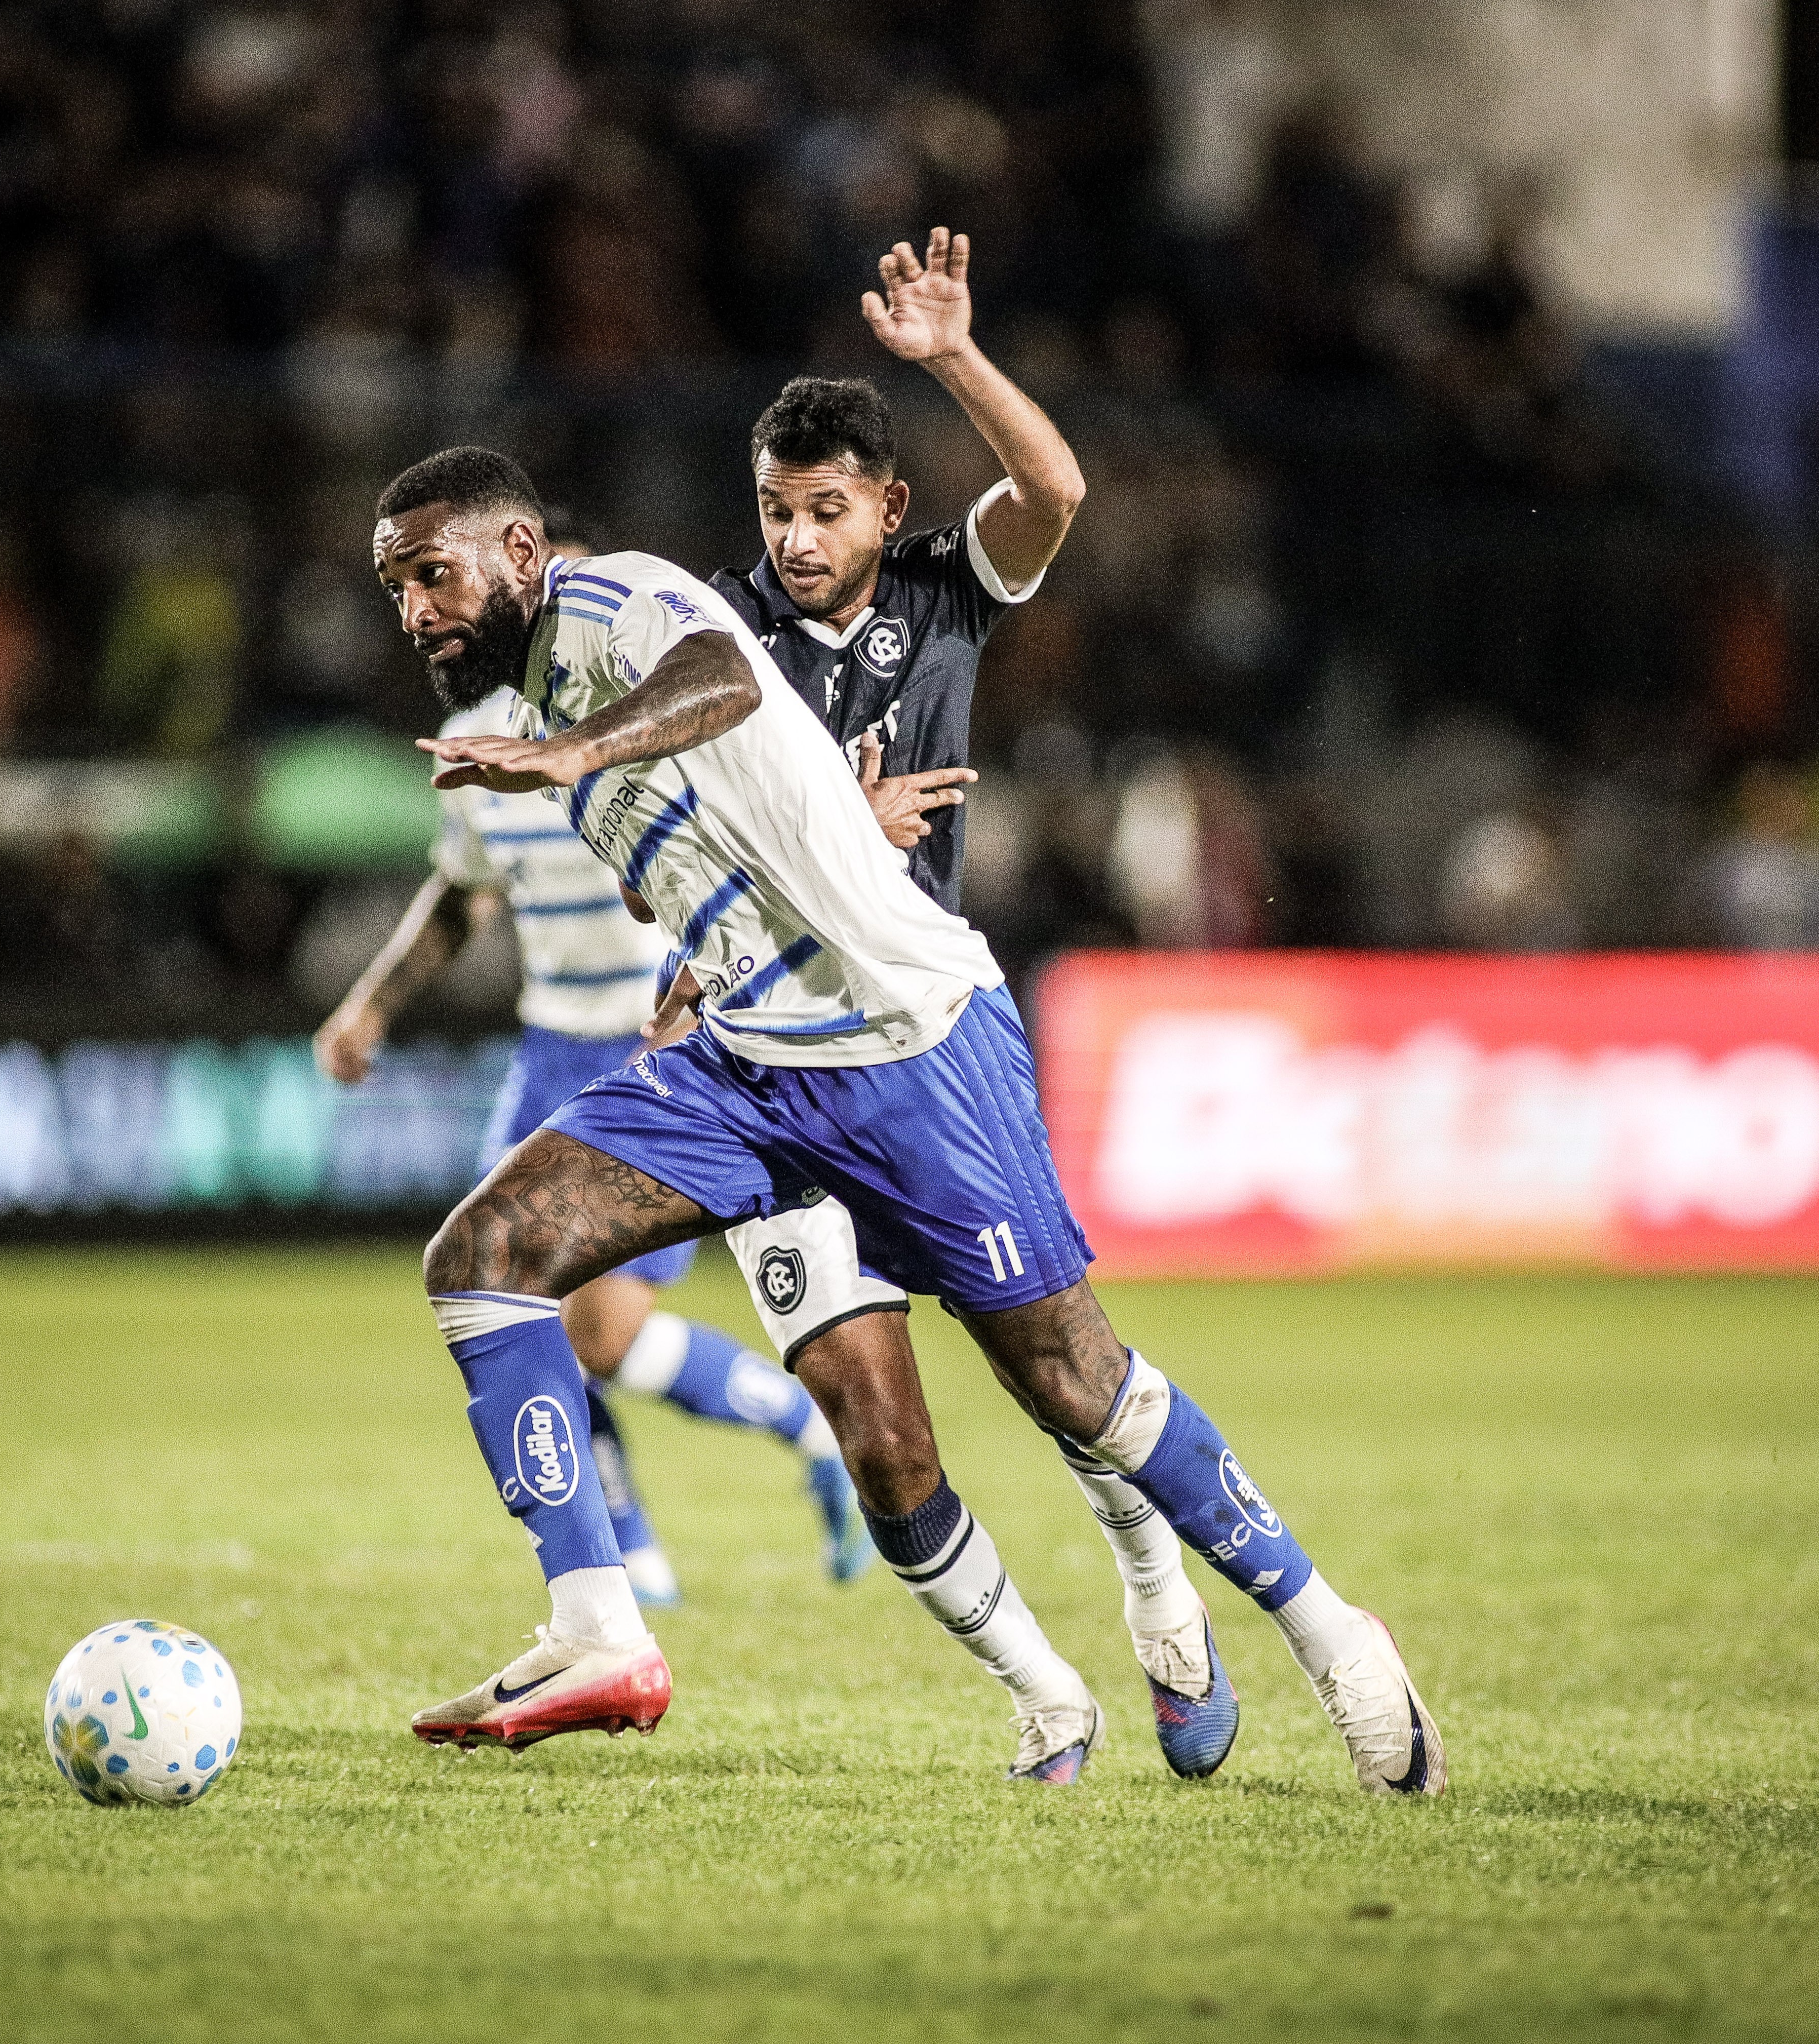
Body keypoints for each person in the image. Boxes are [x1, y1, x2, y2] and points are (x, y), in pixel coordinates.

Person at [371, 441, 1445, 1798]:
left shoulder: (612, 606)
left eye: (430, 573)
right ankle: (598, 1630)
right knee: (484, 1259)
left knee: (1075, 1386)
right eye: (397, 587)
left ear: (518, 551)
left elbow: (711, 676)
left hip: (907, 1044)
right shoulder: (526, 715)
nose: (415, 612)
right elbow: (717, 829)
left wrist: (579, 750)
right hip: (746, 1065)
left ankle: (1328, 1630)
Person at [694, 229, 1241, 1781]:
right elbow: (671, 848)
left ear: (889, 507)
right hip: (768, 1076)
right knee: (876, 1434)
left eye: (823, 510)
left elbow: (1057, 491)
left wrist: (949, 359)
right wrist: (820, 837)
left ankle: (1154, 1584)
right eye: (773, 513)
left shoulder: (941, 594)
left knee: (1064, 1378)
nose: (795, 542)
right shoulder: (714, 649)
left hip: (932, 1057)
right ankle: (1042, 1692)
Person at [315, 525, 871, 1608]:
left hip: (648, 1042)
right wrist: (369, 1004)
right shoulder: (474, 737)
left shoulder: (640, 716)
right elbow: (461, 890)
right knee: (515, 1301)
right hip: (544, 1049)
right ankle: (625, 1550)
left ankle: (800, 1419)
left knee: (602, 1331)